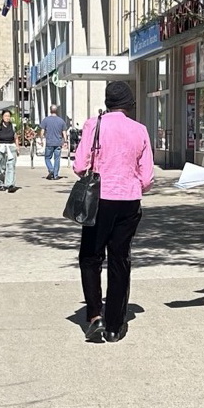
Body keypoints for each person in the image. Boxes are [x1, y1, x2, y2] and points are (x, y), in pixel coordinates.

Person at [74, 81, 154, 343]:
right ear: (129, 105)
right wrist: (133, 184)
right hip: (129, 200)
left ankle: (95, 315)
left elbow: (79, 165)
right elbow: (147, 177)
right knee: (120, 259)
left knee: (91, 256)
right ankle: (115, 326)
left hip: (100, 199)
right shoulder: (140, 130)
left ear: (107, 103)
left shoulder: (93, 125)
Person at [0, 109, 20, 193]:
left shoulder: (13, 126)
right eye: (5, 116)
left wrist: (17, 147)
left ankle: (10, 184)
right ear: (2, 117)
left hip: (11, 147)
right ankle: (1, 184)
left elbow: (16, 138)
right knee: (0, 167)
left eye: (8, 116)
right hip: (1, 147)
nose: (7, 117)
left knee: (11, 166)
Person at [39, 105, 68, 180]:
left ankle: (51, 169)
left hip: (49, 142)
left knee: (47, 158)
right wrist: (65, 141)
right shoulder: (61, 121)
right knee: (57, 159)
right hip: (58, 142)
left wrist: (41, 140)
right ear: (57, 111)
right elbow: (64, 132)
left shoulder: (45, 120)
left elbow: (42, 131)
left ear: (50, 110)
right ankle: (55, 175)